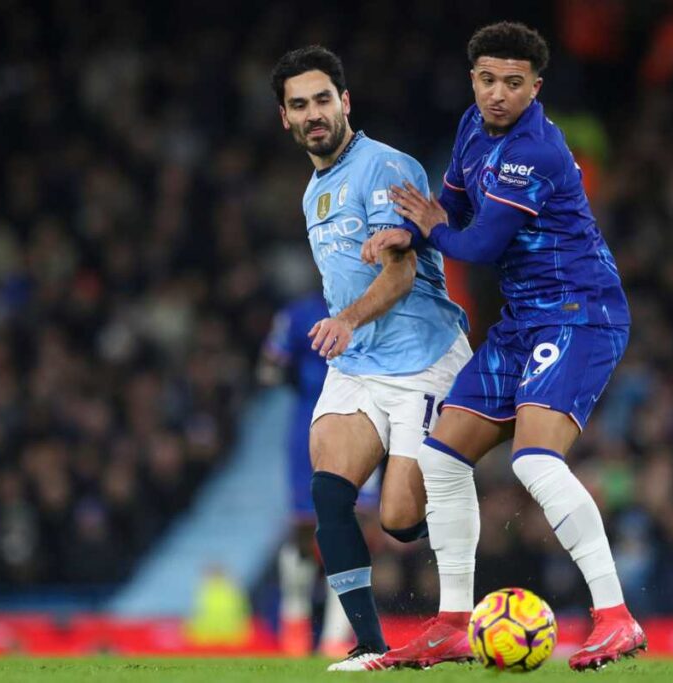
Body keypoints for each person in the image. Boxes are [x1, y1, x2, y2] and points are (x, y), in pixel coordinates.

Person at [362, 21, 646, 671]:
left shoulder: (536, 151)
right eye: (487, 79)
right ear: (473, 79)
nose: (497, 94)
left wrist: (430, 226)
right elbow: (451, 205)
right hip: (523, 321)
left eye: (512, 83)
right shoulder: (471, 127)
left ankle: (616, 617)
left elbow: (478, 245)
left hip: (579, 313)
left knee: (534, 461)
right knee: (442, 455)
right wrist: (410, 229)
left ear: (534, 88)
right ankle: (453, 625)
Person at [270, 46, 473, 671]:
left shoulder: (385, 167)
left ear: (345, 102)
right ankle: (369, 645)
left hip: (423, 358)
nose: (314, 114)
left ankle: (440, 487)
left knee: (400, 520)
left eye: (322, 100)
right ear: (285, 118)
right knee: (328, 496)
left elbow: (402, 272)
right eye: (299, 105)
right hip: (359, 366)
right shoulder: (313, 192)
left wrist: (347, 319)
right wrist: (349, 331)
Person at [257, 290, 367, 657]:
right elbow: (270, 367)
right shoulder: (300, 314)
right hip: (311, 417)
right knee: (305, 525)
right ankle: (295, 618)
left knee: (354, 525)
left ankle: (336, 635)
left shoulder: (378, 306)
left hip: (362, 417)